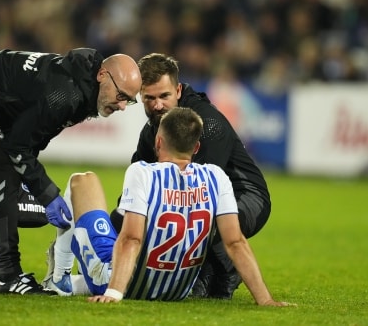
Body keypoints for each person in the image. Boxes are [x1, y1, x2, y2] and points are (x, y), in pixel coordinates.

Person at [0, 48, 141, 295]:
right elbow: (18, 146)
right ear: (102, 75)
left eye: (128, 100)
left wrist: (33, 185)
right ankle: (4, 274)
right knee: (3, 175)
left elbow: (34, 136)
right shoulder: (66, 94)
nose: (122, 106)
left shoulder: (81, 88)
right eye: (120, 95)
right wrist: (47, 194)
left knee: (12, 181)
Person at [44, 107, 290, 305]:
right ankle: (74, 282)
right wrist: (265, 299)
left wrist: (115, 294)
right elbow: (235, 242)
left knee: (82, 181)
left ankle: (60, 279)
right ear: (196, 148)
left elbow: (131, 239)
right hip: (177, 291)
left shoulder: (142, 172)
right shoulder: (216, 176)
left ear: (158, 143)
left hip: (128, 285)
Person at [115, 53, 274, 299]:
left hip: (247, 197)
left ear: (178, 90)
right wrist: (119, 221)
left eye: (164, 96)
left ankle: (223, 269)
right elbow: (135, 194)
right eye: (149, 98)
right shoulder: (152, 130)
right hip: (204, 200)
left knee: (185, 217)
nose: (157, 105)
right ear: (140, 96)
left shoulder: (206, 124)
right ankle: (204, 274)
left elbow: (196, 195)